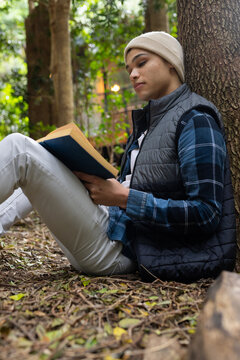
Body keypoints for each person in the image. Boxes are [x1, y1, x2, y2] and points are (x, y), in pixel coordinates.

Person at [0, 32, 236, 282]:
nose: (133, 74)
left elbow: (206, 213)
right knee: (44, 160)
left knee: (20, 149)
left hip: (124, 250)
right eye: (129, 68)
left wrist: (124, 198)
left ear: (170, 62)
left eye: (141, 63)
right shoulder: (150, 123)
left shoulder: (196, 119)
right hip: (113, 230)